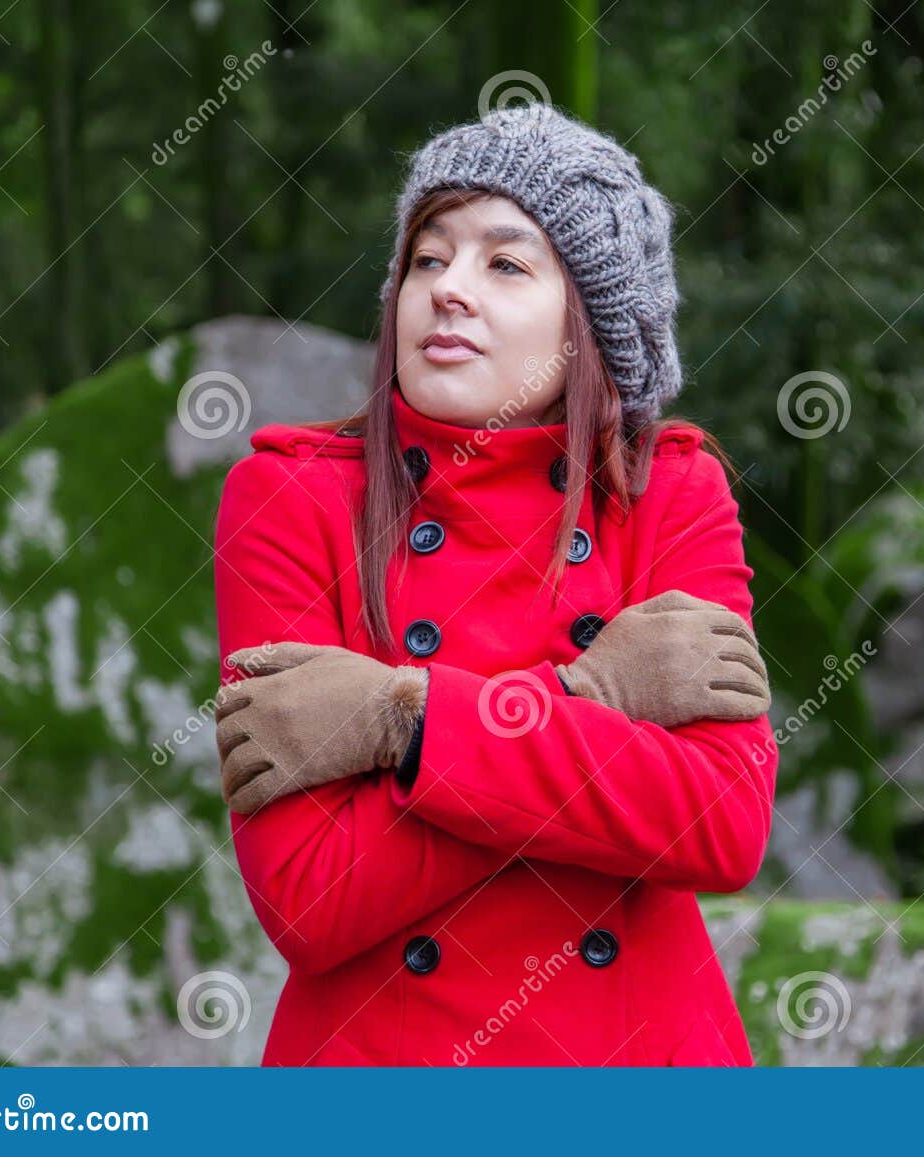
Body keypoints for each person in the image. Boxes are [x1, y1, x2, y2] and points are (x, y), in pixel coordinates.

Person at [210, 102, 779, 1066]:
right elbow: (310, 896)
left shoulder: (672, 491)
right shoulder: (288, 499)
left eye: (505, 264)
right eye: (428, 258)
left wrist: (407, 719)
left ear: (589, 320)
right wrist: (584, 695)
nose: (448, 290)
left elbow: (719, 824)